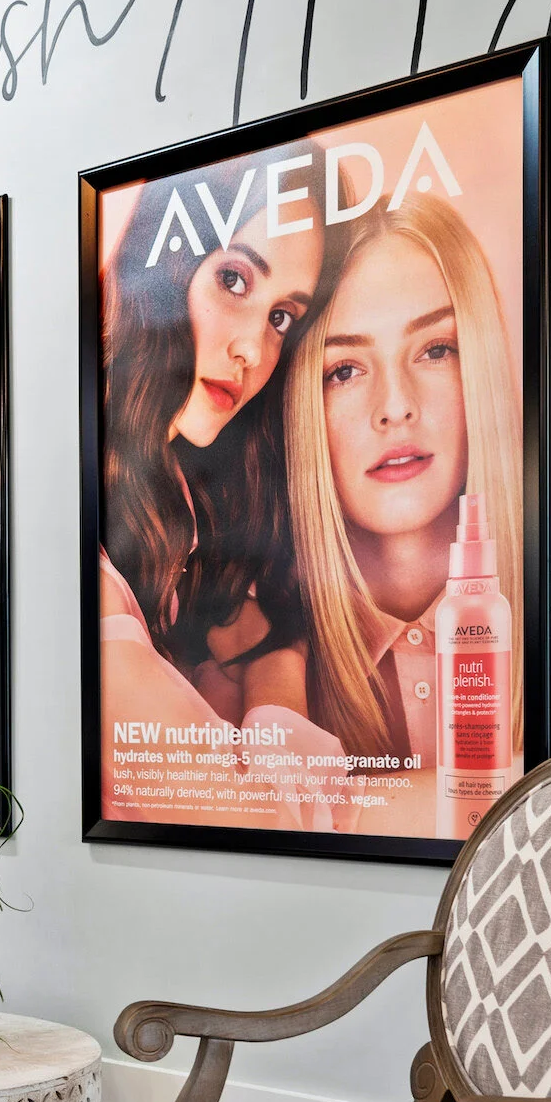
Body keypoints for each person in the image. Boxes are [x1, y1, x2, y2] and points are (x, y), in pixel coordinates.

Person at [245, 191, 523, 834]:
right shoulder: (254, 656)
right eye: (344, 369)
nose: (395, 406)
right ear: (298, 403)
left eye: (435, 349)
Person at [98, 142, 353, 828]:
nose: (254, 351)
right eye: (234, 280)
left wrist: (271, 703)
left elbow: (258, 633)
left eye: (281, 317)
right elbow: (267, 821)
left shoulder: (174, 494)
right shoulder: (80, 548)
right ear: (164, 266)